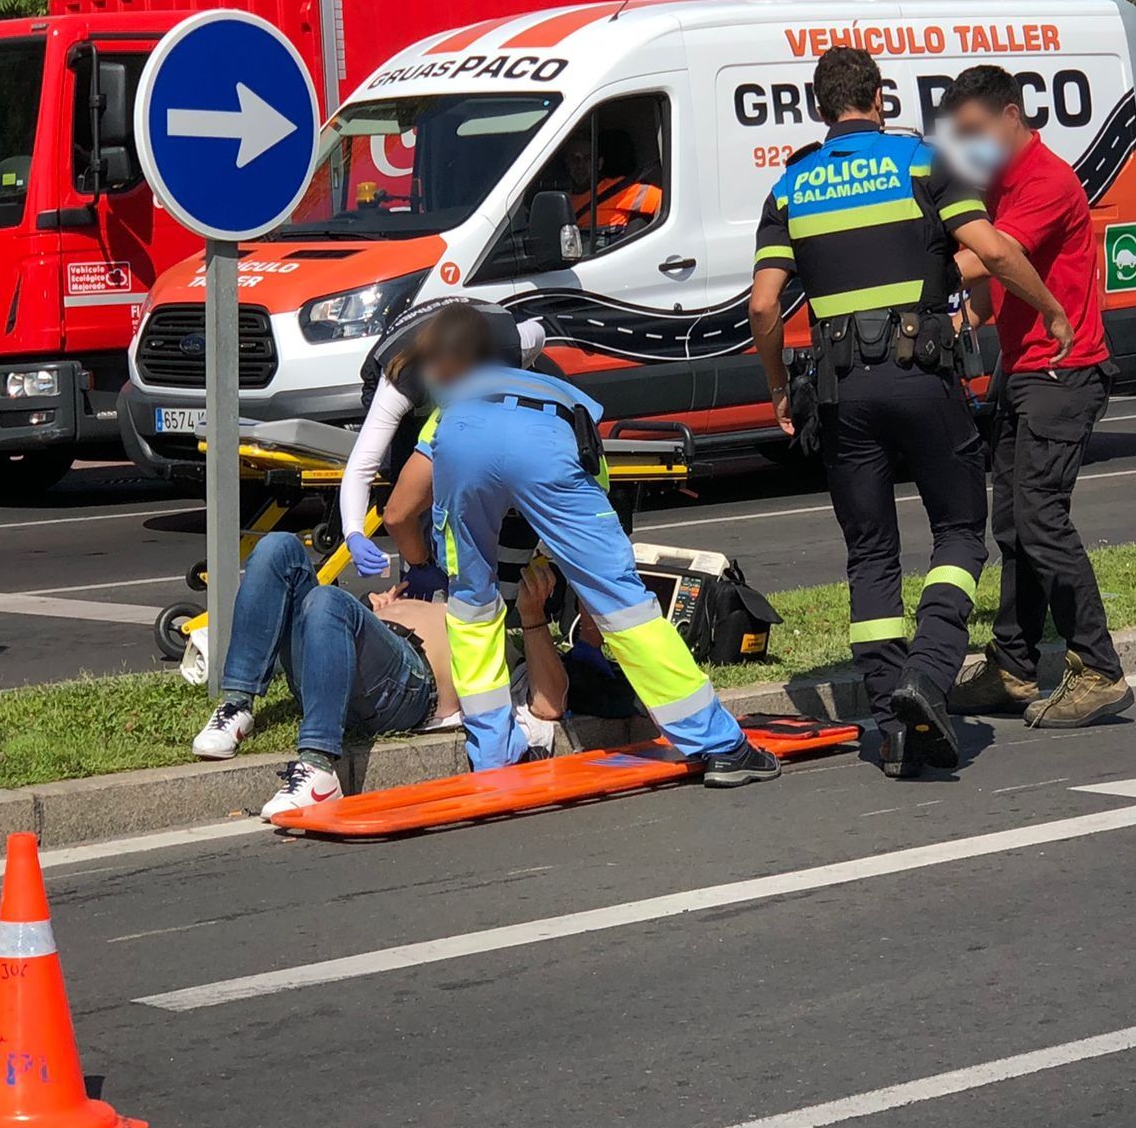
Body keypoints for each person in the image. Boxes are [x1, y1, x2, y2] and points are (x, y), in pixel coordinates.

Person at [748, 46, 1074, 779]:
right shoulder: (923, 163)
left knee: (870, 554)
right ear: (880, 98)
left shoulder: (793, 184)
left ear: (819, 109)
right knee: (959, 529)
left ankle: (891, 711)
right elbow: (989, 250)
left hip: (840, 394)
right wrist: (1050, 309)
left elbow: (765, 304)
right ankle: (930, 675)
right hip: (924, 378)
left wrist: (776, 388)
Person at [393, 302, 773, 782]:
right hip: (550, 436)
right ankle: (719, 744)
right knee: (624, 604)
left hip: (464, 438)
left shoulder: (450, 406)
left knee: (472, 604)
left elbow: (400, 510)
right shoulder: (563, 393)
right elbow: (599, 504)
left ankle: (492, 755)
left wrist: (424, 563)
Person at [941, 63, 1133, 729]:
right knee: (1013, 526)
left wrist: (907, 265)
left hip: (1066, 368)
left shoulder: (1047, 181)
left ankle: (1099, 670)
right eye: (958, 134)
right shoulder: (998, 183)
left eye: (975, 130)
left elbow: (990, 255)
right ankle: (1014, 667)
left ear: (1010, 117)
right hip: (1025, 369)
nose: (969, 144)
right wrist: (971, 317)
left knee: (1042, 518)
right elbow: (994, 288)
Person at [191, 531, 567, 817]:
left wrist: (533, 618)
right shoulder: (431, 594)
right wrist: (376, 614)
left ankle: (319, 765)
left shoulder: (496, 621)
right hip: (345, 662)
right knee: (279, 546)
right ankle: (236, 704)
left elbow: (550, 704)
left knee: (328, 601)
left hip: (406, 686)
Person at [338, 295, 546, 580]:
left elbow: (540, 333)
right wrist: (354, 532)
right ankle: (418, 570)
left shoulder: (515, 344)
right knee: (410, 488)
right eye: (444, 380)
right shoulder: (401, 379)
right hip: (406, 384)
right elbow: (362, 464)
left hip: (484, 349)